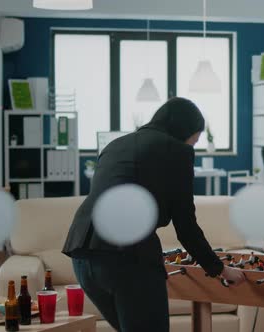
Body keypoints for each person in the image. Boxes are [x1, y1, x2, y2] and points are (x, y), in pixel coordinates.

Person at [62, 97, 245, 332]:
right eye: (195, 140)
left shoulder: (116, 145)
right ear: (185, 131)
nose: (192, 146)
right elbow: (185, 225)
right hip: (126, 260)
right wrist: (220, 269)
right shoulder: (178, 151)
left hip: (82, 256)